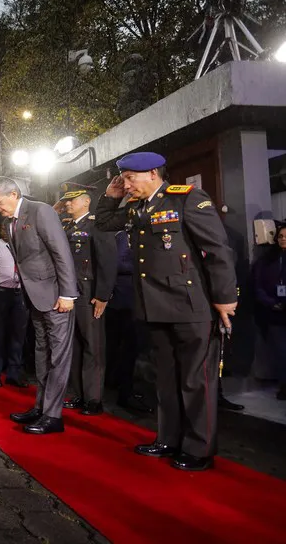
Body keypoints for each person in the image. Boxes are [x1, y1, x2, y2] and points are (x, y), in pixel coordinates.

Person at [94, 151, 237, 471]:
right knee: (167, 379)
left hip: (191, 305)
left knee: (195, 380)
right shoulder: (135, 207)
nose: (126, 184)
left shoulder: (187, 199)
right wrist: (110, 196)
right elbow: (103, 223)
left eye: (130, 178)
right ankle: (169, 439)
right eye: (124, 179)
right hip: (155, 305)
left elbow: (217, 249)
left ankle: (199, 448)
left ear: (153, 174)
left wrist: (225, 299)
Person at [0, 177, 77, 435]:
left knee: (58, 357)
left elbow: (61, 252)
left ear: (13, 194)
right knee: (41, 353)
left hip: (57, 297)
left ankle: (53, 416)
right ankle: (41, 407)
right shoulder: (9, 222)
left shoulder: (41, 211)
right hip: (34, 298)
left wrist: (68, 294)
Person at [57, 184, 118, 416]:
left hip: (89, 292)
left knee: (93, 345)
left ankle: (93, 399)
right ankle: (79, 394)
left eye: (72, 200)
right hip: (69, 292)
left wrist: (102, 295)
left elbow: (107, 262)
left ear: (86, 202)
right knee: (74, 344)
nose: (67, 204)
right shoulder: (66, 226)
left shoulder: (97, 225)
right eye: (66, 201)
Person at [105, 230, 154, 413]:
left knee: (129, 349)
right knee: (128, 349)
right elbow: (119, 263)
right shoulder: (124, 236)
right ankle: (126, 393)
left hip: (132, 299)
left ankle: (122, 387)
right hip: (125, 300)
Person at [0, 222, 29, 388]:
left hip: (20, 294)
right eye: (2, 229)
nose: (5, 231)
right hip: (1, 294)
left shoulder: (22, 245)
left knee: (18, 337)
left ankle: (14, 374)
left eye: (8, 229)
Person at [252, 224, 286, 401]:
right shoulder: (266, 260)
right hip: (275, 314)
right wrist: (272, 304)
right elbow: (258, 287)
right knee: (281, 353)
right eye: (280, 236)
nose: (283, 239)